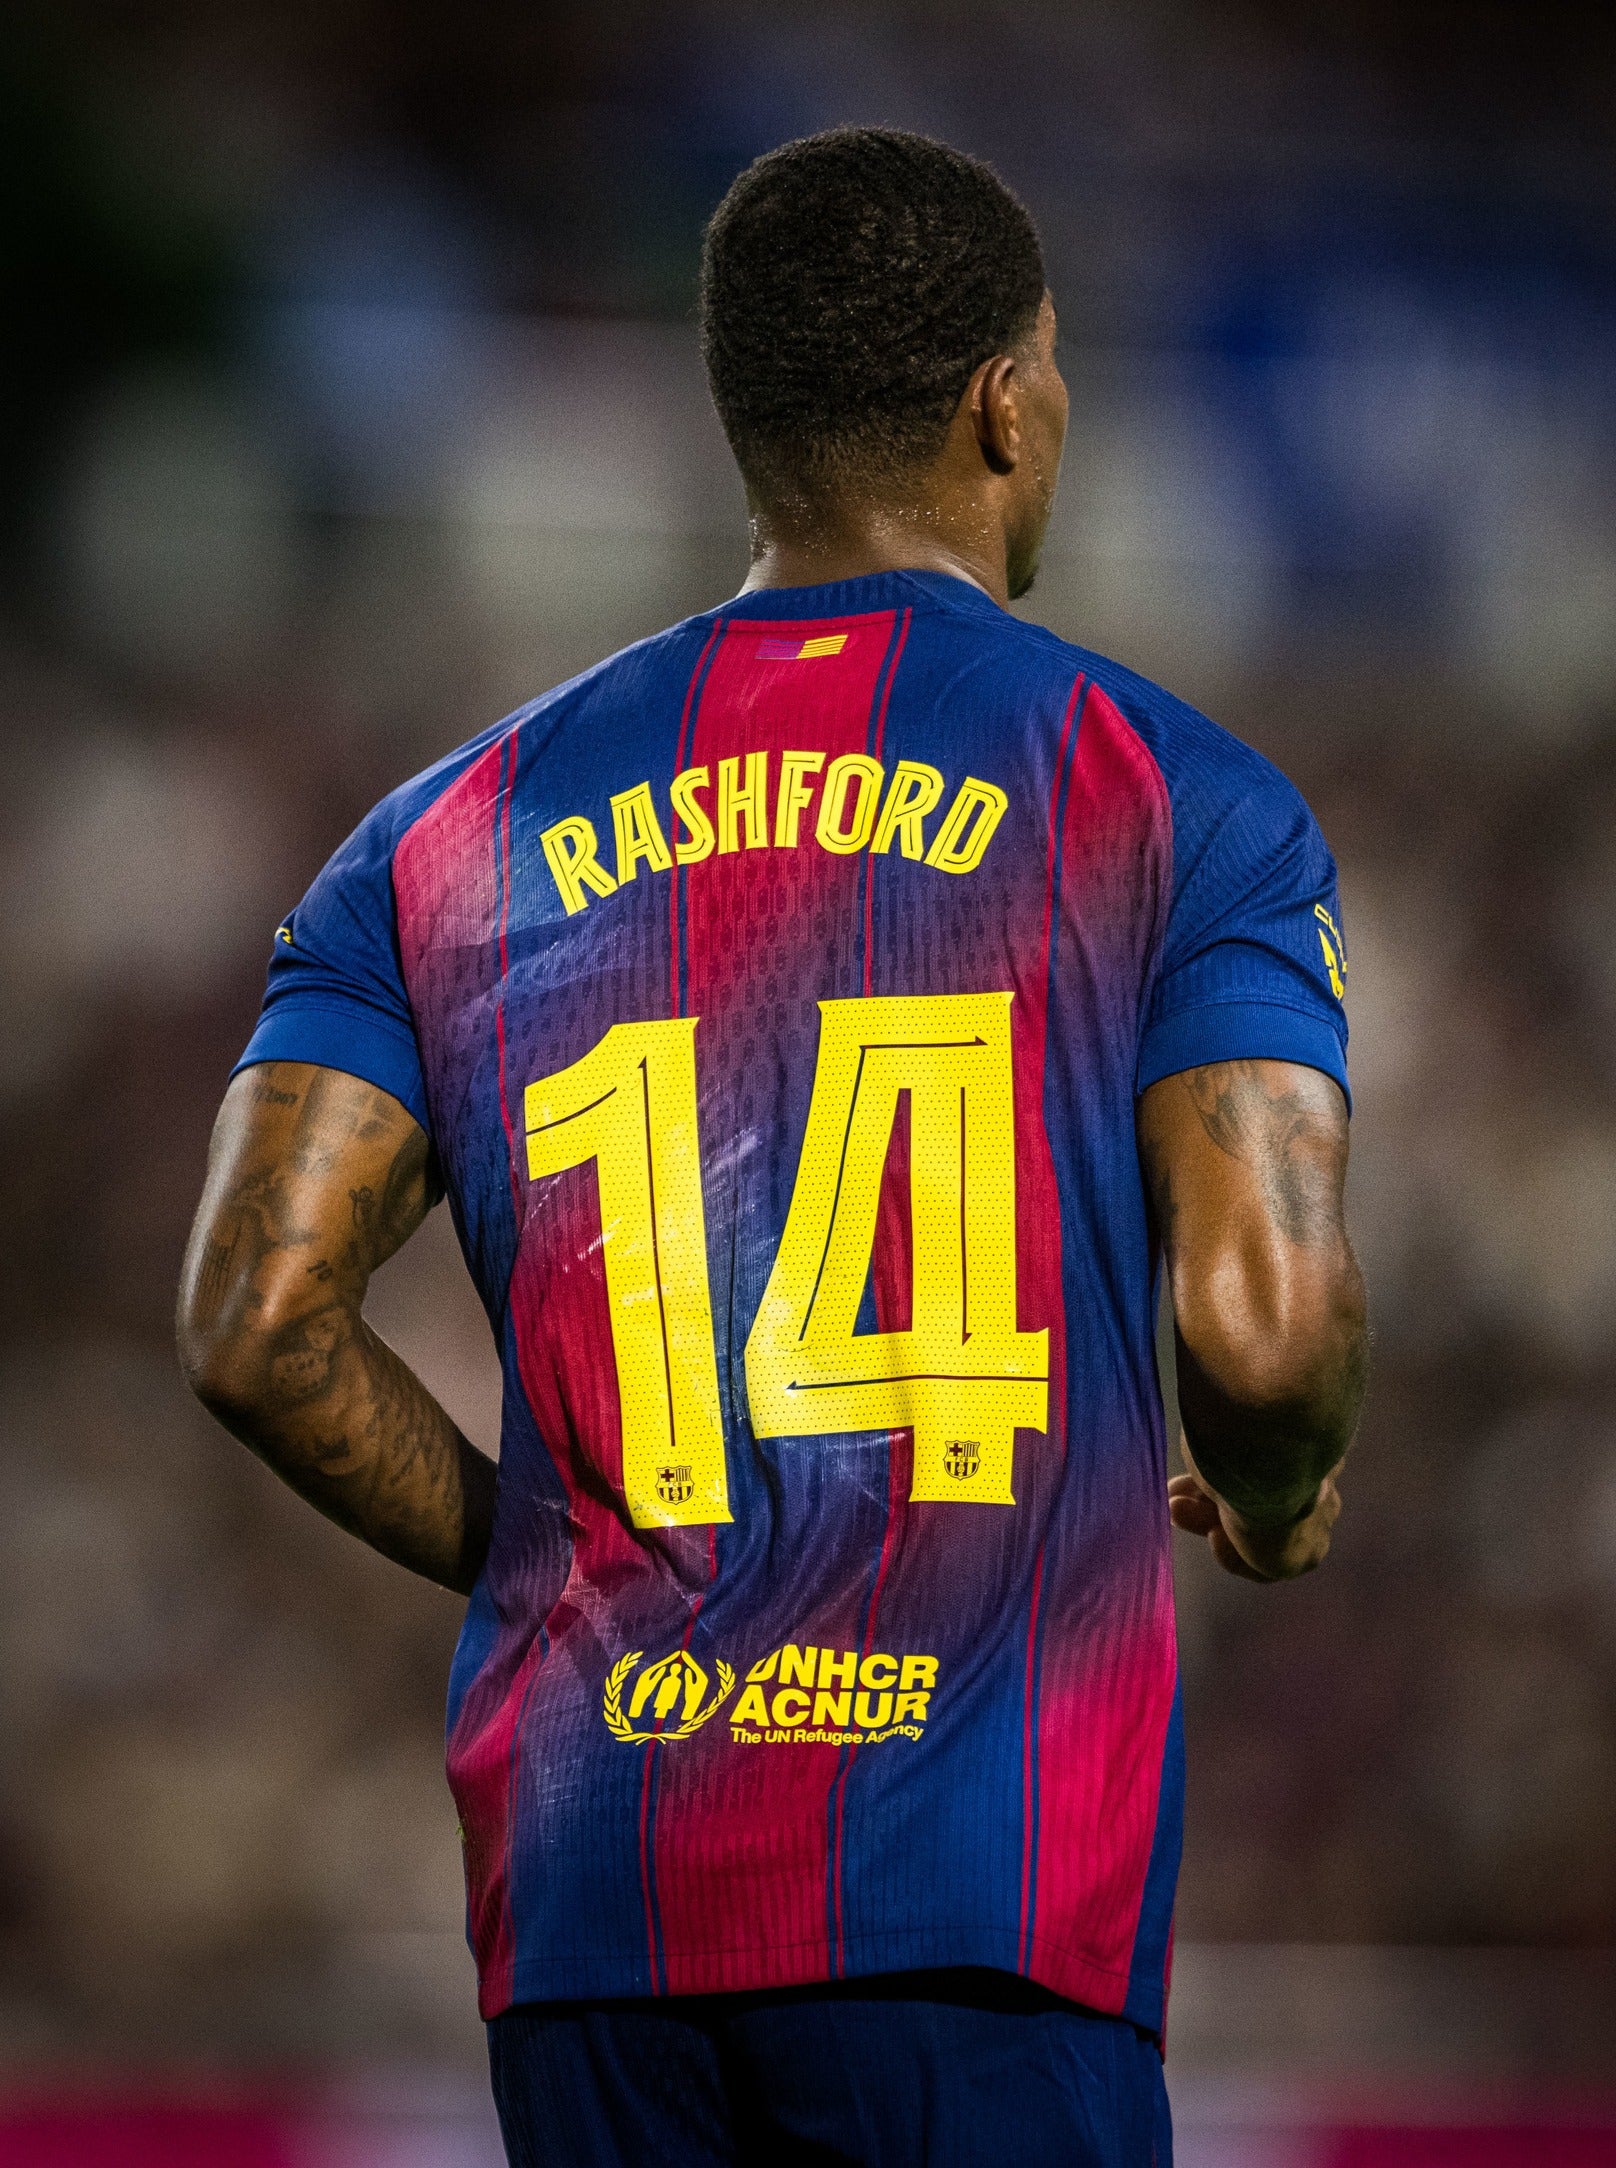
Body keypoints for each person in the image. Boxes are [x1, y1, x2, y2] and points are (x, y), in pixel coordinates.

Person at [178, 127, 1366, 2168]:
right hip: (981, 1908)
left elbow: (251, 1320)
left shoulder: (439, 837)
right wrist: (1276, 1491)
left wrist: (543, 1556)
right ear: (1005, 402)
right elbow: (1264, 1337)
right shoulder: (1175, 798)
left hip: (595, 1912)